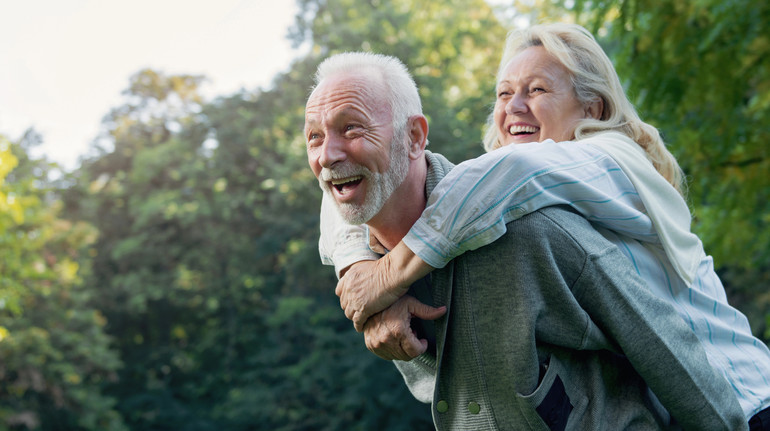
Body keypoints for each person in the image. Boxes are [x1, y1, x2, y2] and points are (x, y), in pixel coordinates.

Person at [323, 24, 770, 428]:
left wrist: (387, 277)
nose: (514, 106)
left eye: (536, 90)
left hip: (742, 400)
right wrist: (357, 267)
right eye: (503, 94)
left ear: (591, 106)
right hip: (678, 412)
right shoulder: (491, 199)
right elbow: (355, 186)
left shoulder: (613, 159)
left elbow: (505, 174)